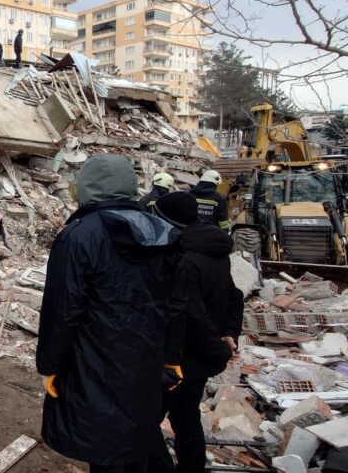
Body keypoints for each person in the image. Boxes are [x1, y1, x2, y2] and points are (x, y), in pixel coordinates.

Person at [37, 154, 185, 473]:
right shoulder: (164, 233)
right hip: (145, 363)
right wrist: (171, 358)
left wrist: (51, 364)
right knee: (137, 443)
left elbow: (61, 311)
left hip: (93, 363)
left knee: (103, 448)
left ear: (86, 188)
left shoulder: (77, 236)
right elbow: (177, 304)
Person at [150, 192, 242, 473]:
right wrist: (229, 331)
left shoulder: (184, 259)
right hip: (199, 359)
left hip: (179, 359)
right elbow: (234, 295)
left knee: (146, 421)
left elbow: (191, 313)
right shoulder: (214, 253)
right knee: (186, 418)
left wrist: (219, 348)